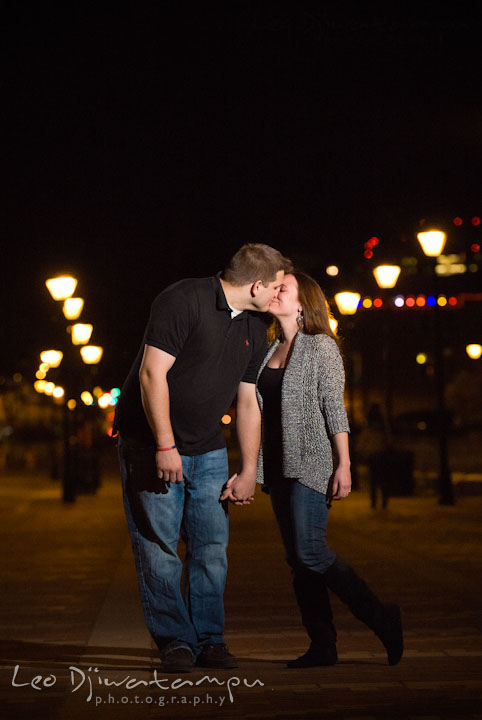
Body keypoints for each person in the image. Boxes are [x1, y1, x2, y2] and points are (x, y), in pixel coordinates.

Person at [113, 243, 291, 674]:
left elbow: (247, 402)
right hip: (151, 443)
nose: (280, 297)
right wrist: (165, 444)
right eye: (278, 287)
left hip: (209, 448)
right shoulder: (183, 300)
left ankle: (210, 639)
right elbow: (151, 372)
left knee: (211, 549)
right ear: (257, 284)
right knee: (160, 549)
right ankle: (176, 641)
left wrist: (249, 469)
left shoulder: (254, 327)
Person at [253, 270, 403, 668]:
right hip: (278, 468)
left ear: (303, 303)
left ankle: (379, 615)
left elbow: (334, 408)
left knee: (311, 551)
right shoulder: (269, 351)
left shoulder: (321, 347)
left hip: (312, 464)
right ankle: (322, 645)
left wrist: (345, 464)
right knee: (297, 561)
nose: (274, 292)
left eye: (283, 288)